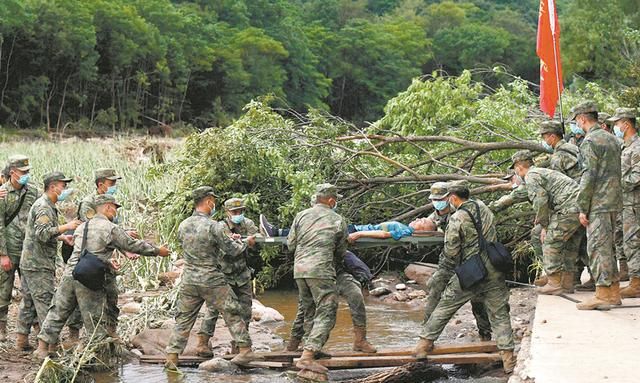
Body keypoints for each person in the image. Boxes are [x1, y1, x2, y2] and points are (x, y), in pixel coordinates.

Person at [35, 194, 170, 359]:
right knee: (94, 317)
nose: (115, 211)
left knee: (57, 311)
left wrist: (107, 262)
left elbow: (87, 251)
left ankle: (42, 349)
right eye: (114, 207)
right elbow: (132, 245)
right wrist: (158, 251)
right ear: (107, 207)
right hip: (88, 277)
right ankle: (98, 356)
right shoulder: (110, 228)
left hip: (70, 273)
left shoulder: (82, 227)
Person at [414, 181, 515, 374]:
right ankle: (508, 359)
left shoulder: (457, 217)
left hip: (472, 271)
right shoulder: (483, 207)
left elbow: (451, 251)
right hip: (495, 268)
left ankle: (423, 346)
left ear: (453, 198)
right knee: (500, 314)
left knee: (445, 306)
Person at [164, 187, 259, 370]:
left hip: (189, 279)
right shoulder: (213, 226)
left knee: (183, 319)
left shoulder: (183, 225)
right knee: (232, 311)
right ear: (208, 202)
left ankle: (172, 357)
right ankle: (245, 349)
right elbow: (232, 249)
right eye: (213, 201)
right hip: (211, 279)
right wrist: (245, 242)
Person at [288, 183, 348, 378]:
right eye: (335, 200)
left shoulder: (301, 215)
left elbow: (291, 244)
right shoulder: (337, 219)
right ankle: (307, 355)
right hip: (321, 269)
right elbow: (340, 251)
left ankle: (310, 346)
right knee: (327, 312)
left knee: (309, 310)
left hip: (300, 270)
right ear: (331, 200)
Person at [16, 171, 82, 350]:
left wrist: (62, 238)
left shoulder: (45, 204)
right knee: (45, 302)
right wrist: (66, 227)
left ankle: (21, 340)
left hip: (31, 262)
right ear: (53, 187)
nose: (65, 189)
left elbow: (39, 233)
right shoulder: (44, 206)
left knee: (28, 303)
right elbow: (43, 233)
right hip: (38, 264)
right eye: (63, 185)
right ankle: (49, 345)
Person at [422, 182, 492, 341]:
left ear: (449, 197)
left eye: (439, 199)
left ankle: (485, 333)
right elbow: (427, 225)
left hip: (469, 259)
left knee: (478, 297)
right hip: (448, 263)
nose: (436, 202)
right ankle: (426, 333)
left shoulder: (463, 211)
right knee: (435, 289)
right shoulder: (435, 215)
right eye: (434, 199)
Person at [571, 101, 623, 310]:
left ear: (582, 118)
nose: (576, 124)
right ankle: (614, 292)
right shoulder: (611, 139)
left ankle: (603, 294)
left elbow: (588, 176)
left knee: (597, 248)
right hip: (613, 200)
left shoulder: (590, 141)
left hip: (599, 203)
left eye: (576, 120)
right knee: (608, 248)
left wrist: (582, 206)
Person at [511, 151, 584, 295]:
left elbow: (541, 201)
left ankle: (554, 282)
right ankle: (567, 283)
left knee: (551, 242)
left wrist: (545, 226)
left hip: (568, 208)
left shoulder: (531, 176)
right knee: (570, 245)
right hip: (579, 206)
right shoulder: (541, 172)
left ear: (519, 167)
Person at [197, 197, 259, 357]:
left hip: (242, 274)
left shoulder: (248, 224)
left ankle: (239, 345)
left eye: (241, 211)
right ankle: (203, 343)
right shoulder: (220, 227)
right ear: (227, 212)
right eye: (235, 212)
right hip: (223, 275)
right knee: (213, 309)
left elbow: (256, 240)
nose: (238, 214)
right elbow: (228, 249)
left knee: (245, 310)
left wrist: (252, 243)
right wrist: (243, 242)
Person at [287, 250, 377, 354]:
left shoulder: (337, 235)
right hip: (313, 272)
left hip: (336, 272)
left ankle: (360, 341)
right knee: (307, 308)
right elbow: (291, 246)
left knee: (356, 295)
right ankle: (294, 345)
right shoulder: (302, 235)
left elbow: (343, 247)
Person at [0, 156, 39, 347]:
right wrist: (3, 254)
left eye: (28, 172)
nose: (26, 175)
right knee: (3, 292)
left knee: (31, 291)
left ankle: (33, 330)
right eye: (23, 172)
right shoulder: (2, 194)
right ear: (12, 172)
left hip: (29, 251)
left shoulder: (33, 192)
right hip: (8, 249)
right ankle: (1, 331)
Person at [608, 108, 640, 298]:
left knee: (633, 243)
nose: (616, 127)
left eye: (617, 123)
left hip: (635, 204)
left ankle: (636, 284)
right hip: (626, 203)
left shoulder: (637, 147)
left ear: (626, 124)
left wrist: (618, 183)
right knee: (627, 242)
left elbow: (637, 174)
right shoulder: (625, 146)